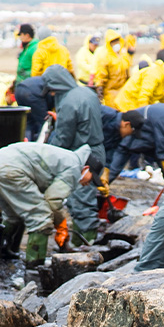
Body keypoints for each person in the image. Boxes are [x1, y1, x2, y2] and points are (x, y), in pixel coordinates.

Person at [0, 142, 103, 267]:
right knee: (41, 218)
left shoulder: (68, 158)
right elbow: (52, 200)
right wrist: (61, 224)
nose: (89, 183)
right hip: (11, 169)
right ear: (86, 169)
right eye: (91, 178)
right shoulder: (75, 168)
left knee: (12, 214)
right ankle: (35, 267)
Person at [42, 64, 105, 245]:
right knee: (87, 198)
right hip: (97, 150)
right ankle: (88, 240)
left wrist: (47, 154)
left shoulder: (68, 102)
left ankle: (85, 245)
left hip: (83, 156)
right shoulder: (87, 93)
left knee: (80, 201)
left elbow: (63, 138)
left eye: (52, 91)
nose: (52, 95)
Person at [99, 106, 145, 195]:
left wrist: (105, 170)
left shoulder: (118, 134)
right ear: (126, 124)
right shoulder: (105, 116)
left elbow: (109, 152)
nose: (130, 135)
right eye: (132, 132)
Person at [94, 29, 131, 108]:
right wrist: (99, 91)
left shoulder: (123, 56)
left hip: (123, 93)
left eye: (117, 40)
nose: (116, 43)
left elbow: (127, 74)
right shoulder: (105, 57)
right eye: (113, 41)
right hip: (110, 93)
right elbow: (101, 77)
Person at [14, 76, 54, 141]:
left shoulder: (47, 79)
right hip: (33, 93)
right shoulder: (58, 87)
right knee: (44, 123)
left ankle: (25, 145)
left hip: (19, 90)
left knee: (28, 122)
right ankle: (39, 147)